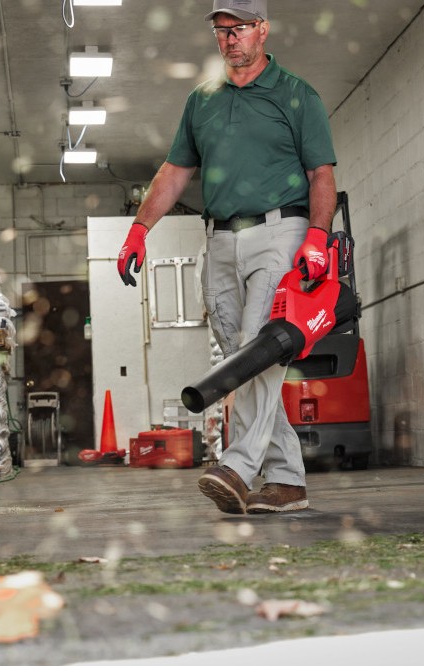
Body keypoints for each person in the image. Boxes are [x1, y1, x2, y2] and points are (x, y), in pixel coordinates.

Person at [116, 0, 337, 514]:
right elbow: (174, 172)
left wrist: (318, 238)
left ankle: (237, 468)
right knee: (247, 363)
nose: (229, 39)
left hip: (280, 232)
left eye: (238, 29)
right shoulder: (202, 100)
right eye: (221, 30)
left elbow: (321, 174)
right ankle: (287, 482)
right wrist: (138, 231)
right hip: (218, 239)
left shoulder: (297, 95)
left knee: (258, 348)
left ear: (262, 29)